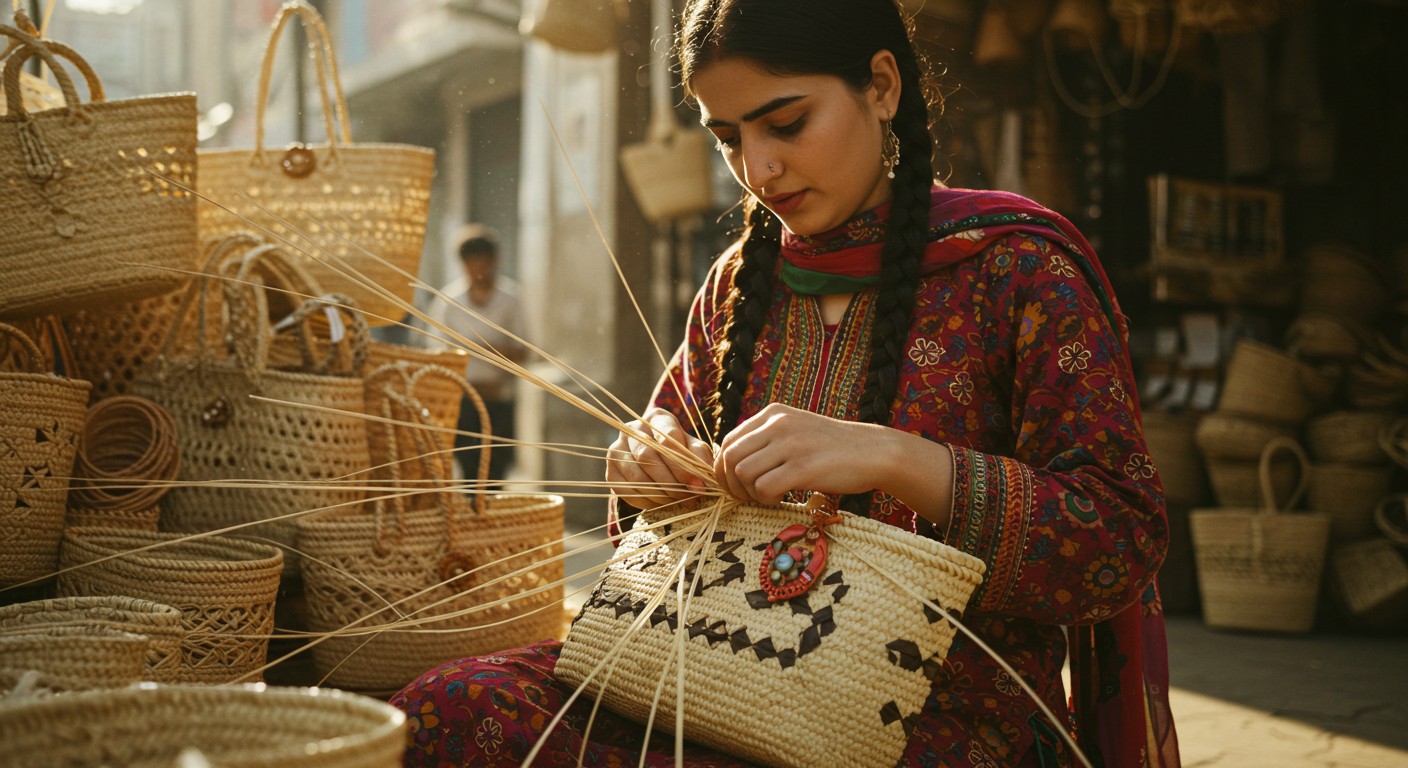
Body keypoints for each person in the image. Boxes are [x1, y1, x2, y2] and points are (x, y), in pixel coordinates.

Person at [391, 1, 1180, 766]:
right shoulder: (741, 280)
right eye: (727, 137)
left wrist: (899, 459)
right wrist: (643, 467)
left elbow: (1121, 539)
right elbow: (654, 495)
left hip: (933, 710)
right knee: (441, 706)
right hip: (712, 665)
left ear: (881, 86)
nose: (757, 169)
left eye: (787, 122)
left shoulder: (1020, 271)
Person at [433, 224, 526, 488]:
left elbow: (523, 351)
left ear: (496, 261)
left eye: (484, 264)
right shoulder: (449, 302)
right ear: (462, 264)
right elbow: (437, 355)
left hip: (500, 400)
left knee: (497, 471)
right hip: (463, 402)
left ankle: (491, 525)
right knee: (468, 469)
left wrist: (486, 351)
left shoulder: (511, 300)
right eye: (472, 265)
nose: (478, 271)